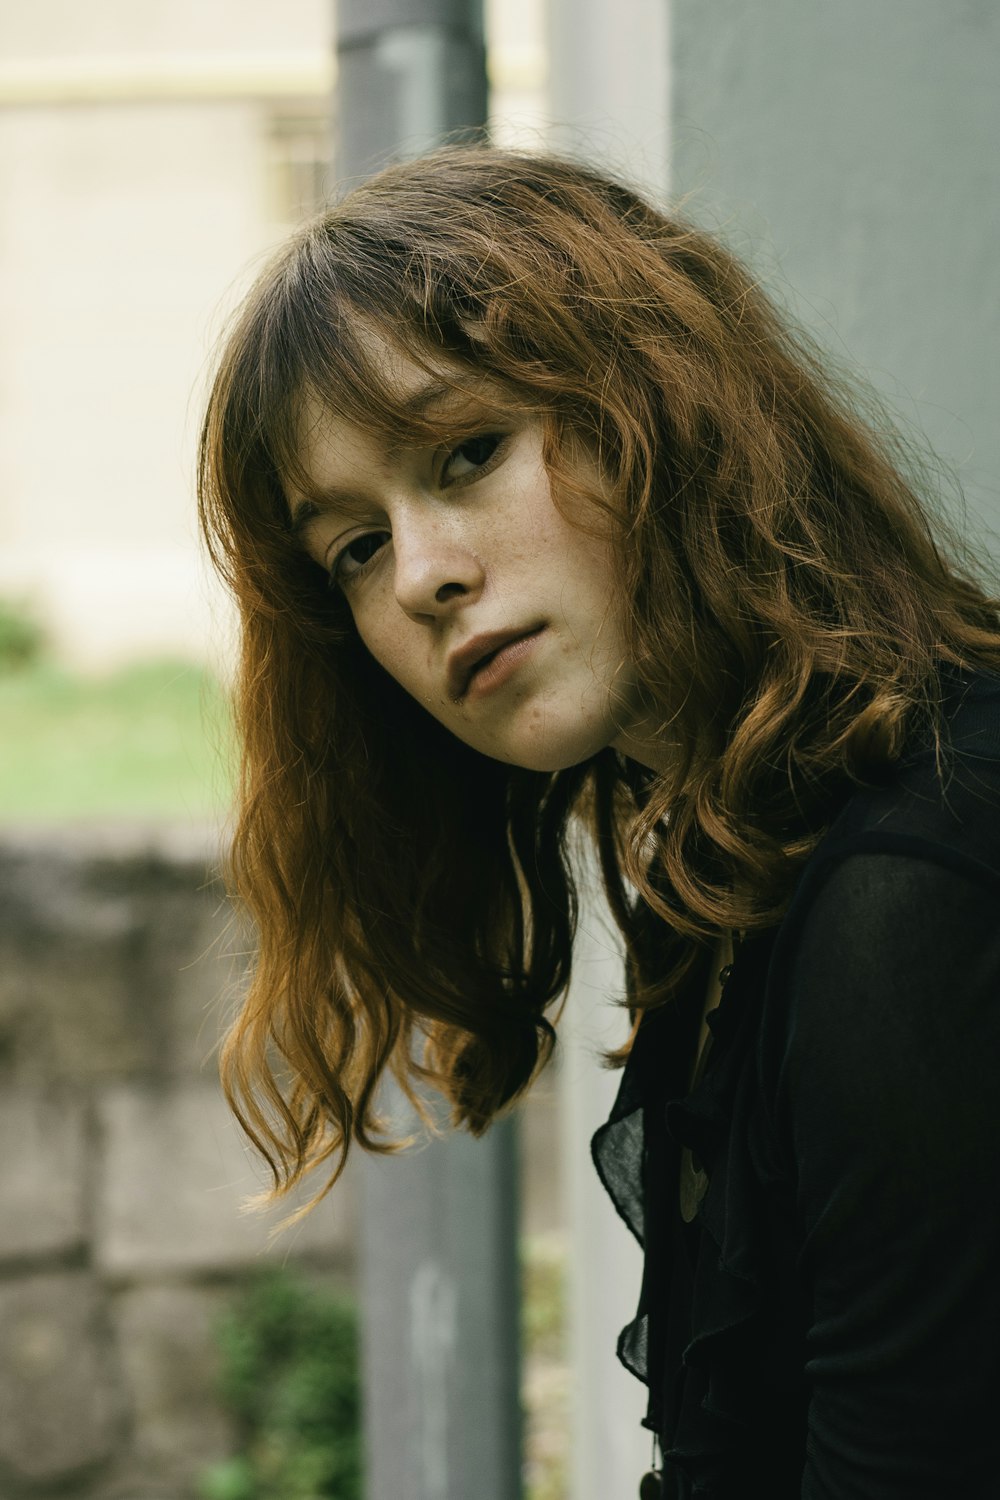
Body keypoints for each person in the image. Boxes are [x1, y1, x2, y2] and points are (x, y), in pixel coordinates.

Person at [198, 146, 1000, 1497]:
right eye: (356, 547)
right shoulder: (738, 870)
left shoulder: (910, 882)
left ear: (665, 403)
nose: (425, 577)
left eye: (467, 451)